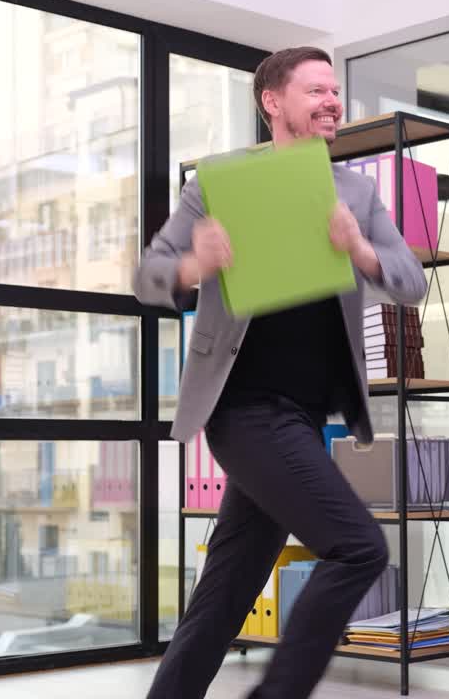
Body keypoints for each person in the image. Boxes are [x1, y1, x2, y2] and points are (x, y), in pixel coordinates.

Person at [135, 46, 429, 698]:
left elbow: (412, 282)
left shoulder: (355, 193)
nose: (333, 102)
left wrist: (360, 249)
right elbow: (148, 277)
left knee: (224, 596)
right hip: (244, 412)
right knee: (360, 548)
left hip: (300, 417)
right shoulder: (218, 184)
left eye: (335, 91)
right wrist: (196, 265)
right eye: (316, 90)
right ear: (273, 102)